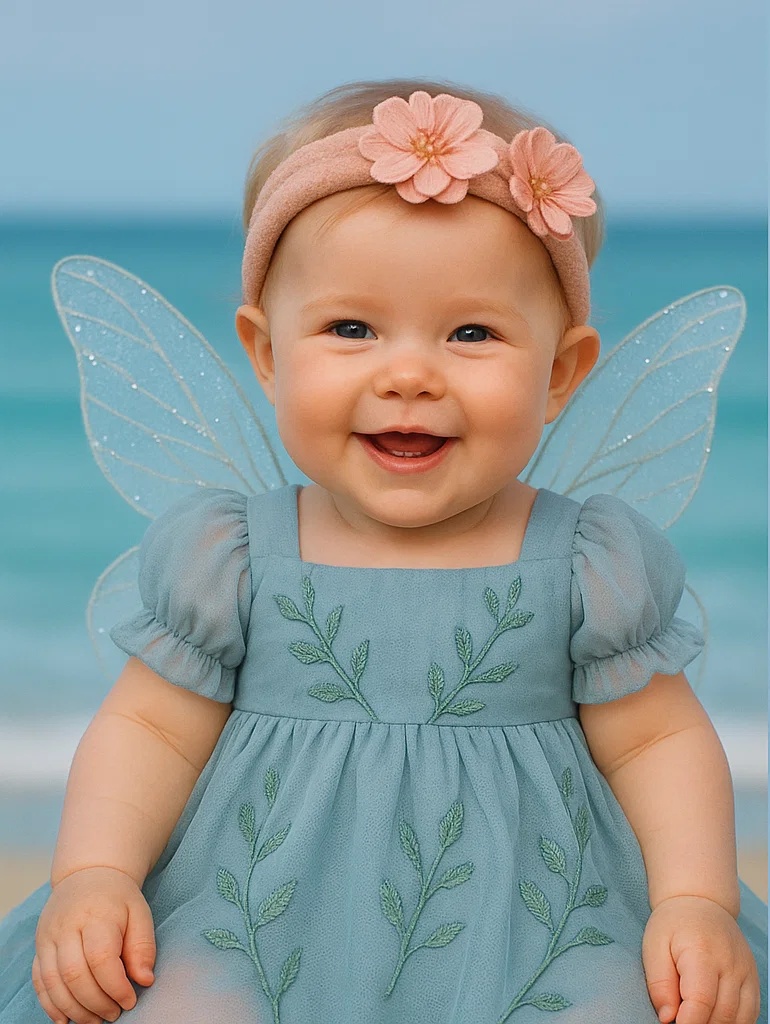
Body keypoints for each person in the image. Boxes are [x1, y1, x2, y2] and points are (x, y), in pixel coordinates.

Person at [0, 78, 766, 1024]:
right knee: (180, 1002)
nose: (408, 374)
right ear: (268, 354)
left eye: (472, 332)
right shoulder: (233, 554)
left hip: (539, 913)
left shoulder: (584, 561)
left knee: (615, 1004)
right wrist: (94, 873)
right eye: (350, 329)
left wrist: (696, 901)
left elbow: (656, 739)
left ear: (562, 371)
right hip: (255, 905)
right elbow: (151, 731)